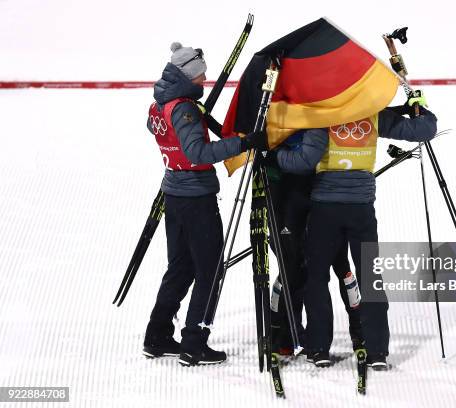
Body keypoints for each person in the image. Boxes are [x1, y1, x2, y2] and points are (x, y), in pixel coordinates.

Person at [274, 93, 437, 370]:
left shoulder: (323, 115)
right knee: (370, 276)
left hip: (325, 208)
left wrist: (274, 154)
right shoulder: (373, 113)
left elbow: (303, 161)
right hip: (361, 208)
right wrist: (419, 109)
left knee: (316, 277)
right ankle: (377, 352)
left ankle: (318, 348)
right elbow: (425, 130)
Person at [142, 42, 267, 366]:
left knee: (181, 267)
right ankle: (194, 343)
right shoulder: (182, 107)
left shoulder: (161, 105)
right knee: (210, 270)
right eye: (201, 76)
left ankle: (156, 337)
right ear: (189, 76)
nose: (205, 80)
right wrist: (242, 143)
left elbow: (168, 133)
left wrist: (205, 122)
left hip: (174, 192)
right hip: (196, 196)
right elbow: (197, 153)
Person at [266, 141, 363, 365]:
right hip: (285, 193)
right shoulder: (272, 107)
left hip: (324, 191)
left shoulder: (321, 108)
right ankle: (282, 335)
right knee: (291, 269)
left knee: (341, 265)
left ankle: (360, 333)